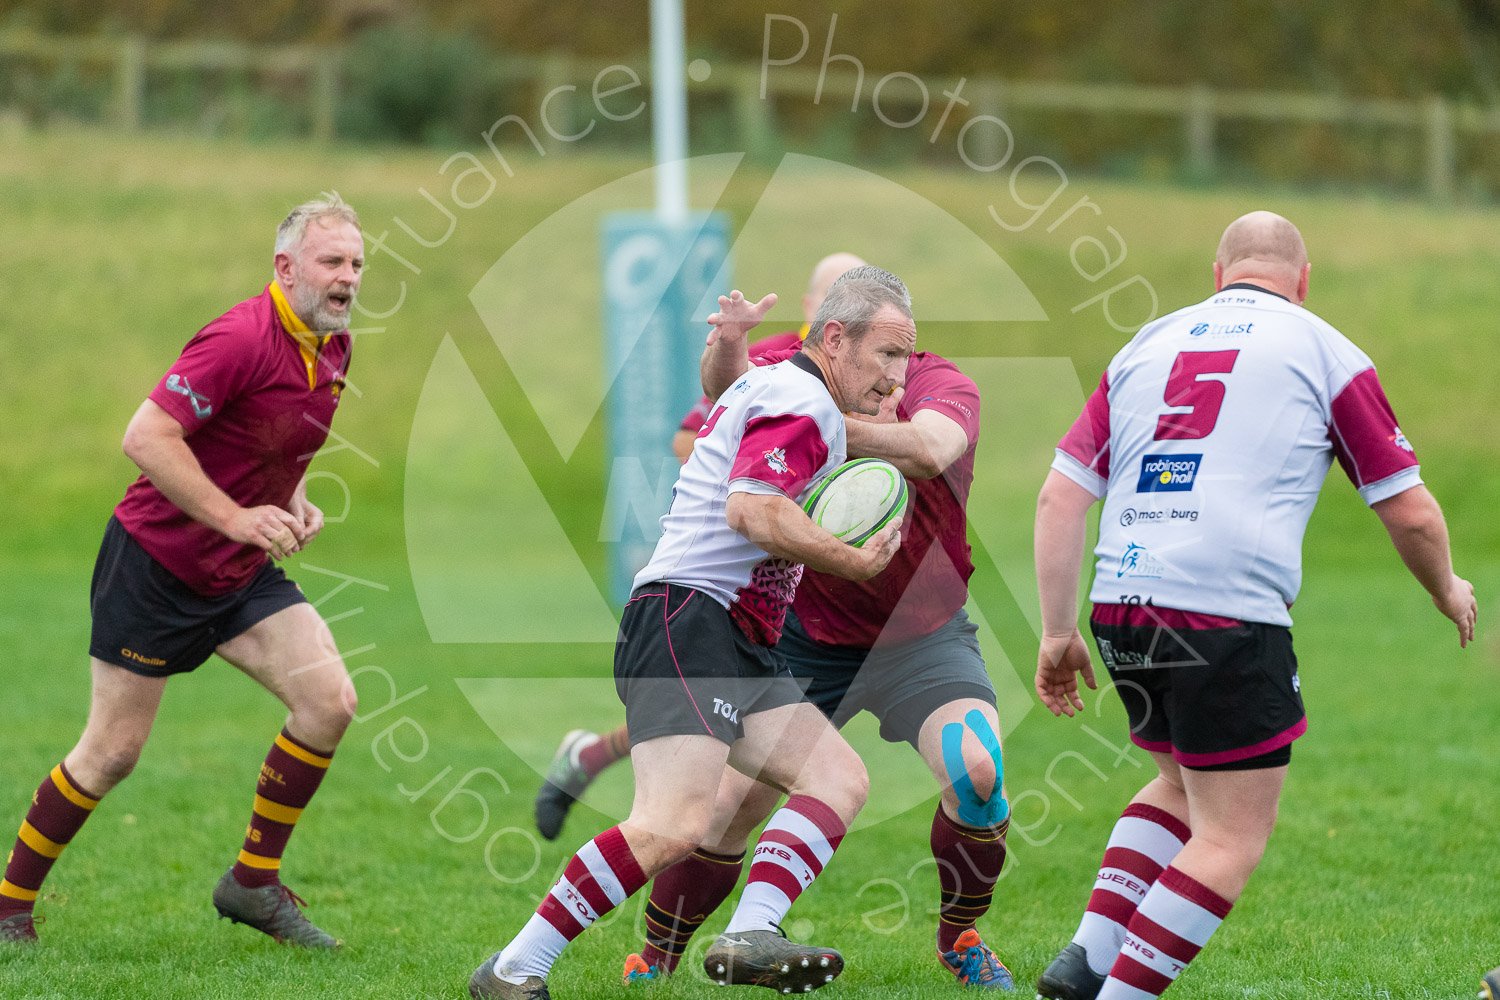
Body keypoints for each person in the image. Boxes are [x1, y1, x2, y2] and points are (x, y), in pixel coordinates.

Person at [1031, 211, 1477, 1000]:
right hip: (1222, 613)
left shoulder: (1145, 344)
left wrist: (1060, 629)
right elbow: (1408, 510)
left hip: (1121, 605)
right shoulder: (1324, 349)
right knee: (1232, 834)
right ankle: (1118, 991)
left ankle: (1088, 958)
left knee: (1176, 780)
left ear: (1218, 274)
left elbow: (1060, 495)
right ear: (1302, 283)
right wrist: (1447, 589)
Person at [467, 267, 913, 1000]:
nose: (897, 380)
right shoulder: (802, 402)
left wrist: (728, 346)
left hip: (734, 632)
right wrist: (854, 562)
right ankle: (515, 970)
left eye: (905, 360)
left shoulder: (779, 384)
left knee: (837, 779)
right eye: (888, 355)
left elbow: (719, 393)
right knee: (673, 824)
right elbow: (751, 509)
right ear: (835, 337)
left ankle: (750, 933)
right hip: (690, 618)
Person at [0, 195, 366, 948]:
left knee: (329, 701)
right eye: (333, 262)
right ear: (286, 267)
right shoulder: (238, 337)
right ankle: (8, 906)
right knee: (112, 754)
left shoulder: (333, 346)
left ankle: (252, 886)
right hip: (156, 565)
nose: (348, 278)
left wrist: (290, 498)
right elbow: (147, 435)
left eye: (357, 264)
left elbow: (273, 437)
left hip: (238, 570)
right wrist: (235, 516)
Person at [613, 325, 1016, 989]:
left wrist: (823, 422)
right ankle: (656, 956)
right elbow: (710, 413)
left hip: (923, 638)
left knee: (977, 772)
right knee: (725, 809)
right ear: (832, 337)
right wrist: (753, 381)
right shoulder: (789, 368)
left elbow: (931, 446)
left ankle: (960, 939)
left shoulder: (939, 381)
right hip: (802, 638)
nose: (877, 370)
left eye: (891, 352)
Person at [534, 252, 868, 842]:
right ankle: (697, 927)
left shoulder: (870, 374)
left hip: (788, 583)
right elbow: (696, 432)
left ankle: (593, 760)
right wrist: (772, 477)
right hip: (740, 573)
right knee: (709, 793)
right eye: (840, 295)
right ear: (816, 312)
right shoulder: (787, 370)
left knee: (806, 774)